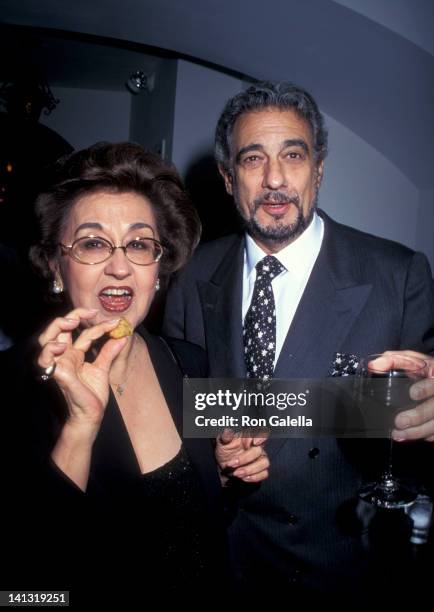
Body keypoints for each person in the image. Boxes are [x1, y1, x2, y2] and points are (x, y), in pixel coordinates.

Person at [163, 82, 434, 600]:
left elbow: (417, 423)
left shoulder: (398, 276)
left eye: (293, 154)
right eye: (252, 160)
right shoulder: (190, 275)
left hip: (343, 576)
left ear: (319, 169)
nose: (274, 180)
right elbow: (177, 413)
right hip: (219, 569)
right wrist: (209, 459)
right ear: (226, 177)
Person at [1, 142, 269, 603]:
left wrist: (226, 474)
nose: (121, 266)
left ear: (159, 270)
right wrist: (80, 429)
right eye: (92, 243)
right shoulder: (13, 387)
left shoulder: (190, 363)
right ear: (54, 265)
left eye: (141, 245)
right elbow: (24, 591)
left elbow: (201, 522)